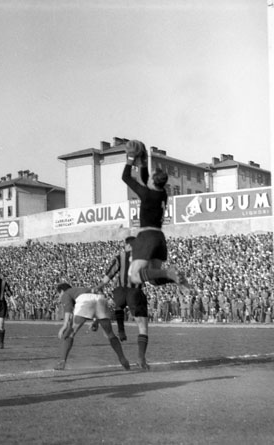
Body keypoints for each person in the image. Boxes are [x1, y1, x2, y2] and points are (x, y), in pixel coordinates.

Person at [121, 140, 190, 291]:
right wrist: (143, 162)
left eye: (151, 176)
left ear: (153, 181)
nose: (149, 177)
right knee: (153, 280)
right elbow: (145, 179)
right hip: (159, 238)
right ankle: (174, 277)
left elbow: (126, 177)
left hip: (147, 237)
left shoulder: (147, 194)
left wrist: (131, 158)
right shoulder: (162, 193)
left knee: (134, 276)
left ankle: (168, 273)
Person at [94, 236, 151, 370]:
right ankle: (141, 358)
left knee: (118, 305)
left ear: (129, 246)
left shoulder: (120, 257)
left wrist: (99, 286)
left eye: (125, 245)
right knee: (142, 327)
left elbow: (108, 276)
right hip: (135, 292)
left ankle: (120, 329)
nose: (124, 247)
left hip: (119, 292)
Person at [54, 282, 130, 371]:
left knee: (70, 333)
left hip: (85, 301)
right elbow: (95, 300)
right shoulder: (82, 289)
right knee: (110, 334)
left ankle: (62, 361)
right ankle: (122, 358)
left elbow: (68, 311)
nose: (59, 297)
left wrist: (64, 325)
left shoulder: (66, 293)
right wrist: (96, 321)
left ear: (62, 291)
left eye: (59, 294)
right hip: (100, 299)